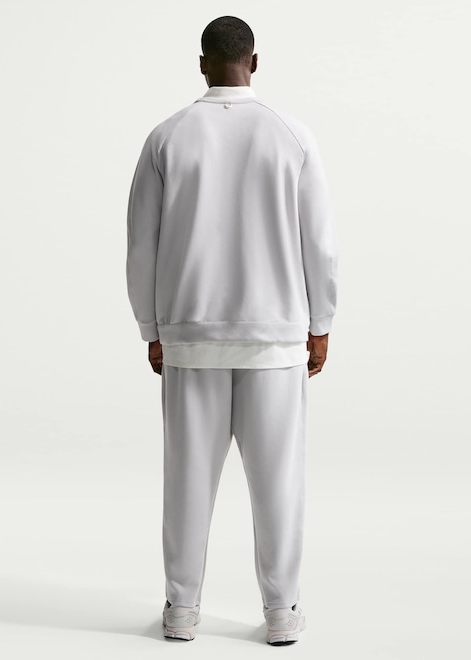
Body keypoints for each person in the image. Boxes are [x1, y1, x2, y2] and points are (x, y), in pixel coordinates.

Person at [126, 15, 337, 646]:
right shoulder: (291, 134)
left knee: (187, 481)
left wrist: (151, 326)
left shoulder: (167, 136)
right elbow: (319, 241)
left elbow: (141, 245)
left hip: (190, 335)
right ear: (255, 61)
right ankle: (281, 612)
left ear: (202, 63)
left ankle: (181, 609)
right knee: (278, 484)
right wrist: (321, 322)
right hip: (275, 337)